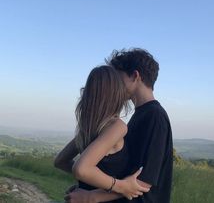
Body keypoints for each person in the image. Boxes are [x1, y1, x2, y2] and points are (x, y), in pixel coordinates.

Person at [60, 48, 173, 203]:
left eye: (117, 78)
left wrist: (90, 196)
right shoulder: (140, 115)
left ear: (135, 76)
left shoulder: (155, 116)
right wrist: (90, 184)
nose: (114, 85)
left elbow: (142, 182)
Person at [54, 65, 150, 203]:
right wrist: (121, 186)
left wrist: (93, 182)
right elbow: (81, 169)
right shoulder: (117, 126)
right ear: (116, 94)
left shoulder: (88, 129)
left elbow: (60, 161)